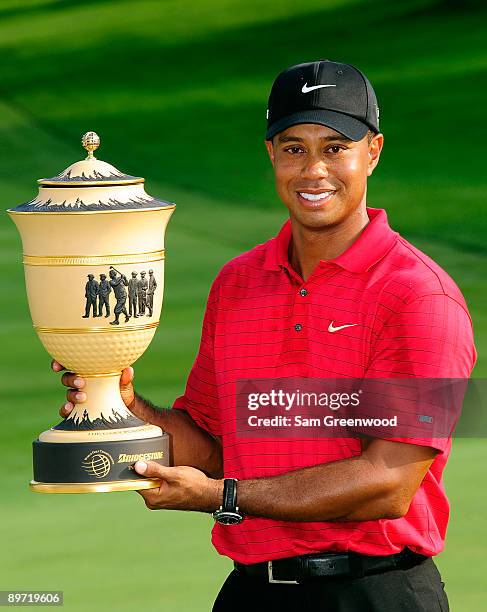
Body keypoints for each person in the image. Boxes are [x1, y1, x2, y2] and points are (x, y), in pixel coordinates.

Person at [54, 60, 476, 611]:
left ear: (372, 152)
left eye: (334, 147)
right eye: (293, 147)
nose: (313, 170)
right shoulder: (237, 283)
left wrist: (221, 498)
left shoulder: (421, 297)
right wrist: (121, 404)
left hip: (375, 593)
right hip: (253, 590)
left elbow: (388, 484)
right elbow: (212, 446)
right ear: (271, 154)